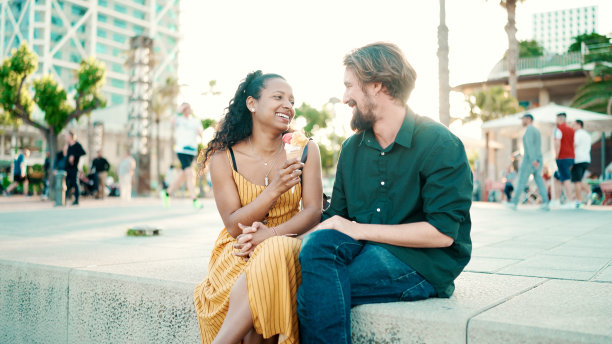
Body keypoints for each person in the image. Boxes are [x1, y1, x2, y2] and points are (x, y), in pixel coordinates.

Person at [297, 43, 473, 344]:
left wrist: (356, 229)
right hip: (365, 248)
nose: (344, 97)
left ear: (377, 84)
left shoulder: (439, 143)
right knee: (316, 248)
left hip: (422, 261)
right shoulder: (352, 149)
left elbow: (442, 234)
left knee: (315, 288)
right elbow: (336, 218)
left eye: (350, 86)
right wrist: (278, 240)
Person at [193, 71, 322, 344]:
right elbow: (232, 224)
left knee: (272, 260)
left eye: (291, 100)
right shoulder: (223, 156)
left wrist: (272, 234)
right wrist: (274, 189)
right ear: (252, 104)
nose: (288, 105)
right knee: (260, 302)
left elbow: (313, 211)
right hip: (239, 247)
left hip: (289, 240)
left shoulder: (306, 149)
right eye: (278, 97)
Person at [160, 103, 205, 208]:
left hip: (191, 152)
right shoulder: (179, 119)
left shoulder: (195, 121)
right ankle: (195, 200)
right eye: (184, 108)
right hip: (181, 150)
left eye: (188, 108)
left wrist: (200, 132)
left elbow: (201, 133)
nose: (186, 110)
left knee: (183, 174)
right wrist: (178, 111)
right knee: (190, 173)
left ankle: (167, 193)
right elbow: (171, 122)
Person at [506, 114, 550, 210]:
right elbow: (535, 146)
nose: (522, 121)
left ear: (528, 119)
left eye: (523, 119)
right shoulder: (536, 130)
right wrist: (536, 159)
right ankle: (546, 203)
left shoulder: (529, 130)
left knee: (521, 180)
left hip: (530, 160)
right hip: (538, 159)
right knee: (539, 181)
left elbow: (530, 146)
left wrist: (533, 159)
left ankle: (514, 202)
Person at [551, 112, 575, 209]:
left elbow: (557, 143)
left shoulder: (559, 129)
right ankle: (556, 200)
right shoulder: (571, 130)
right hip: (571, 157)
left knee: (566, 179)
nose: (556, 121)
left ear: (560, 119)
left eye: (556, 119)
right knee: (556, 177)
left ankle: (570, 201)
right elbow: (573, 144)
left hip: (562, 157)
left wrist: (556, 156)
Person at [571, 119, 591, 208]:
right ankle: (589, 192)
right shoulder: (587, 134)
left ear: (579, 124)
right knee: (579, 179)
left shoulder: (577, 134)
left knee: (576, 181)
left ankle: (579, 201)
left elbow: (573, 146)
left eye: (574, 125)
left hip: (578, 159)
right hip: (586, 159)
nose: (572, 127)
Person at [65, 131, 86, 205]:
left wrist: (74, 156)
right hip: (67, 167)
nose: (66, 137)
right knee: (67, 183)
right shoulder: (68, 145)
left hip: (74, 167)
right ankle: (65, 199)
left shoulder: (77, 145)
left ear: (71, 136)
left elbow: (83, 152)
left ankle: (76, 200)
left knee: (75, 183)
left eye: (67, 135)